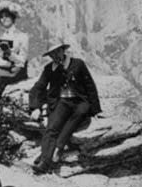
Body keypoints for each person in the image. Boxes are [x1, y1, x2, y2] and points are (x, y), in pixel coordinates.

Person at [28, 42, 102, 174]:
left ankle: (58, 147)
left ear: (63, 50)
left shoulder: (78, 64)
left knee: (81, 112)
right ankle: (45, 162)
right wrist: (36, 107)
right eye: (52, 54)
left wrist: (96, 110)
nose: (55, 56)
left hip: (80, 101)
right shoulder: (49, 69)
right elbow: (39, 87)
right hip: (62, 102)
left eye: (57, 52)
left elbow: (90, 85)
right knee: (52, 128)